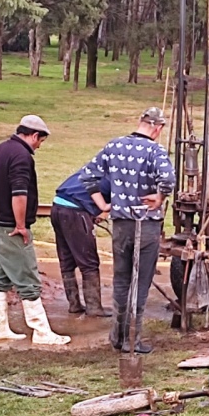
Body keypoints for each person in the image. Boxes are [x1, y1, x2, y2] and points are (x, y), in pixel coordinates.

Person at [80, 107, 174, 353]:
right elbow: (169, 179)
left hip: (121, 224)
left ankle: (117, 337)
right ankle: (133, 339)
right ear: (157, 128)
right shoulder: (156, 150)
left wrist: (103, 205)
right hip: (147, 225)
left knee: (121, 281)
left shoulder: (114, 146)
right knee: (141, 283)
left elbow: (87, 175)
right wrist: (160, 197)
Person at [0, 115, 69, 345]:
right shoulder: (21, 157)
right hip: (10, 227)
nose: (39, 146)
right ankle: (41, 331)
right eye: (40, 141)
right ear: (34, 135)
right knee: (28, 277)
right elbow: (19, 193)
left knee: (0, 276)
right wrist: (20, 226)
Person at [50, 169, 112, 317]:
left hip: (57, 207)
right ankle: (94, 307)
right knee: (89, 262)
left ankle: (74, 304)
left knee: (66, 260)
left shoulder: (96, 167)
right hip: (75, 210)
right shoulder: (120, 177)